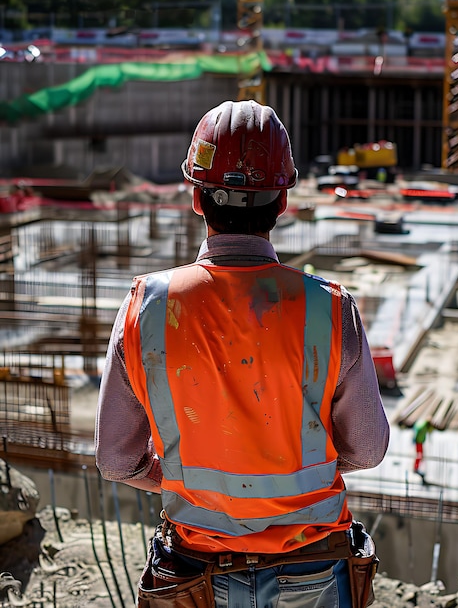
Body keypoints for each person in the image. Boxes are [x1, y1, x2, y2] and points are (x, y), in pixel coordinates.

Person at [95, 99, 390, 608]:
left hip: (196, 569)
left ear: (195, 197)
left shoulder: (147, 307)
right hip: (310, 563)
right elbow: (367, 449)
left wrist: (192, 479)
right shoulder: (329, 309)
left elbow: (116, 460)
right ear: (281, 203)